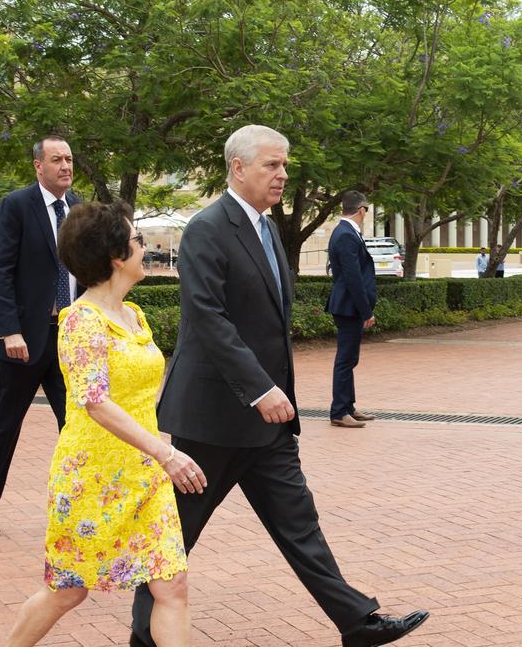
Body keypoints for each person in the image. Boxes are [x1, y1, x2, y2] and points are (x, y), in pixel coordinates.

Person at [130, 125, 428, 647]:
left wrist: (276, 395)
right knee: (174, 537)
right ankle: (145, 635)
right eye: (272, 165)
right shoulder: (206, 229)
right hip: (213, 421)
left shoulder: (267, 230)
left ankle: (357, 623)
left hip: (269, 423)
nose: (283, 175)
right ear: (238, 167)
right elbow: (207, 319)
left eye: (284, 165)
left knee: (300, 526)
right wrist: (260, 389)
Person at [5, 200, 203, 647]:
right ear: (116, 256)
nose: (144, 248)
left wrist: (158, 454)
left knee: (172, 586)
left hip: (145, 475)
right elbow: (94, 401)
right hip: (93, 476)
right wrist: (166, 452)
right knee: (67, 590)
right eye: (136, 240)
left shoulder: (134, 316)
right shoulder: (80, 320)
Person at [0, 136, 81, 538]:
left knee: (77, 426)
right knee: (6, 425)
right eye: (56, 160)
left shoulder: (80, 208)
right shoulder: (17, 205)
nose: (65, 166)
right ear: (39, 166)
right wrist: (10, 332)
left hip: (68, 339)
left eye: (69, 159)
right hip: (22, 341)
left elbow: (86, 274)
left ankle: (77, 508)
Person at [327, 190, 378, 429]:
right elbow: (353, 277)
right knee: (345, 360)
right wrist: (366, 310)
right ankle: (339, 410)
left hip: (349, 306)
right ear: (361, 210)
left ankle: (348, 406)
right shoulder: (346, 234)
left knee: (350, 359)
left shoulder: (347, 233)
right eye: (366, 209)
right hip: (348, 307)